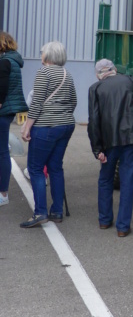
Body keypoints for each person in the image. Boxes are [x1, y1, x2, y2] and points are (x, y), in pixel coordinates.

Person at [87, 59, 133, 237]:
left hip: (108, 144)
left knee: (105, 180)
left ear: (98, 74)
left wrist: (97, 149)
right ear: (114, 70)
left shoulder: (95, 89)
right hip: (131, 141)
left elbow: (94, 122)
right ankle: (123, 227)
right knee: (127, 183)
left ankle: (104, 220)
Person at [20, 41, 77, 227]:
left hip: (46, 127)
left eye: (42, 52)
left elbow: (36, 103)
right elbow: (74, 101)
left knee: (36, 169)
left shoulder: (43, 72)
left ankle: (40, 212)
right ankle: (57, 211)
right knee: (55, 167)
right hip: (66, 125)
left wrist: (27, 126)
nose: (40, 54)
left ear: (48, 56)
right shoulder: (67, 74)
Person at [0, 32, 28, 207]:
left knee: (2, 152)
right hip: (9, 111)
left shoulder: (5, 62)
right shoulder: (14, 61)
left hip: (3, 112)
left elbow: (1, 90)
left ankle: (3, 194)